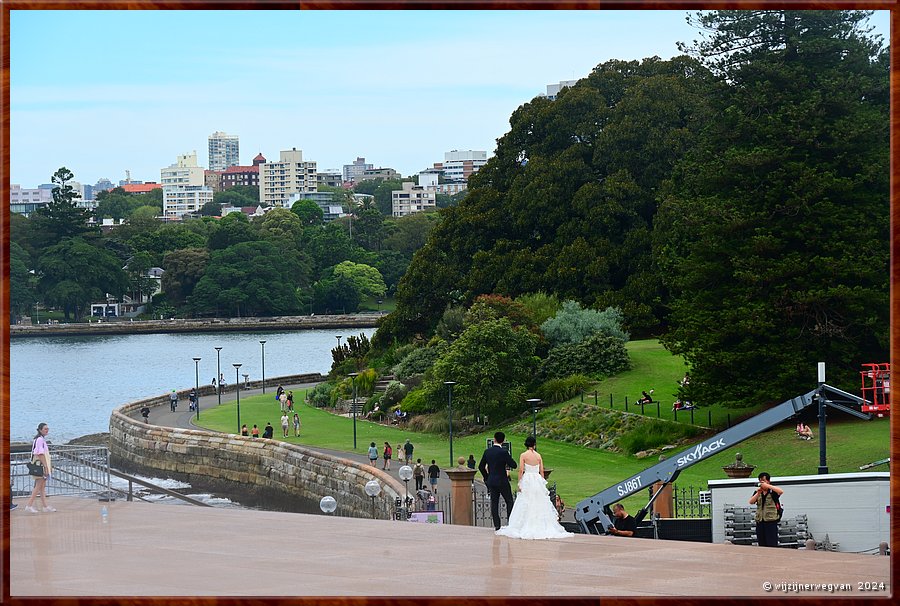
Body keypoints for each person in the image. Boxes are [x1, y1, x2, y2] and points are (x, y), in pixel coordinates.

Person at [496, 436, 572, 540]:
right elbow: (541, 470)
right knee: (539, 501)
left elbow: (521, 470)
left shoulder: (523, 455)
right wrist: (541, 481)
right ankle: (540, 524)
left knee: (526, 501)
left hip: (528, 478)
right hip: (536, 478)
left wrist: (519, 482)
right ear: (534, 444)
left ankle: (523, 524)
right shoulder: (538, 456)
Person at [478, 431, 518, 531]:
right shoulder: (504, 452)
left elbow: (481, 466)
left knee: (494, 502)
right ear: (503, 440)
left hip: (492, 480)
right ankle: (510, 522)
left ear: (494, 439)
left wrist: (486, 477)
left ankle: (497, 525)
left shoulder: (487, 452)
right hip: (502, 480)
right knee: (509, 501)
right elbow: (513, 465)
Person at [24, 423, 55, 513]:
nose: (47, 430)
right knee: (38, 486)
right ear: (40, 430)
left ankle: (45, 506)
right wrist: (46, 466)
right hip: (41, 465)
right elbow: (40, 453)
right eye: (45, 429)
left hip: (41, 464)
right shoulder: (40, 440)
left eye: (47, 429)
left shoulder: (39, 439)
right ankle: (29, 505)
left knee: (42, 486)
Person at [749, 472, 783, 547]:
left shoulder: (773, 492)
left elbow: (781, 491)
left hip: (771, 522)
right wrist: (758, 493)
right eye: (760, 481)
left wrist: (768, 486)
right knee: (762, 544)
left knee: (772, 544)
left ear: (768, 481)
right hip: (760, 522)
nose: (762, 483)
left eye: (763, 481)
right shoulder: (757, 492)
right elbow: (751, 501)